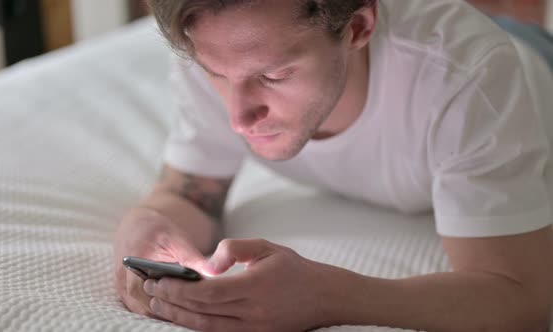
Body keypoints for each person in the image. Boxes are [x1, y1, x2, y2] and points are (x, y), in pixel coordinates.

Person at [114, 0, 553, 331]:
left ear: (358, 27)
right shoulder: (217, 48)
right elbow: (188, 195)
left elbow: (524, 297)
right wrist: (147, 225)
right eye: (219, 76)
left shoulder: (466, 76)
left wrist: (328, 296)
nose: (238, 118)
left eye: (274, 76)